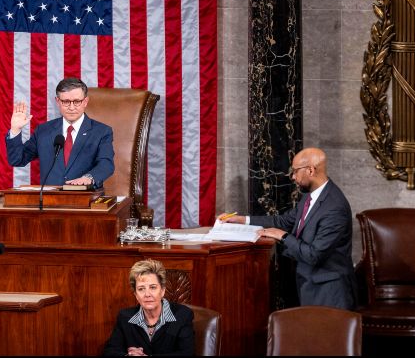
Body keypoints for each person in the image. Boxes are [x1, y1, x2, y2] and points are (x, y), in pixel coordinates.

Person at [219, 147, 358, 310]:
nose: (292, 177)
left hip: (329, 293)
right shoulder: (310, 195)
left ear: (311, 170)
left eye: (295, 171)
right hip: (308, 285)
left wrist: (283, 236)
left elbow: (315, 255)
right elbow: (284, 221)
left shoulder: (334, 207)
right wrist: (243, 220)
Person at [6, 77, 114, 187]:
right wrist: (15, 129)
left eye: (77, 101)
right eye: (66, 102)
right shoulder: (43, 131)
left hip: (86, 199)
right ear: (58, 101)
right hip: (51, 200)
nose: (71, 107)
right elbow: (17, 160)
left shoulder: (102, 131)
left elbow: (106, 163)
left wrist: (89, 178)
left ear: (85, 101)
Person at [103, 259, 194, 356]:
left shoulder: (182, 315)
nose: (147, 294)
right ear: (136, 295)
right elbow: (110, 351)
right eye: (141, 289)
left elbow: (187, 353)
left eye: (153, 287)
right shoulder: (125, 317)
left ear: (162, 290)